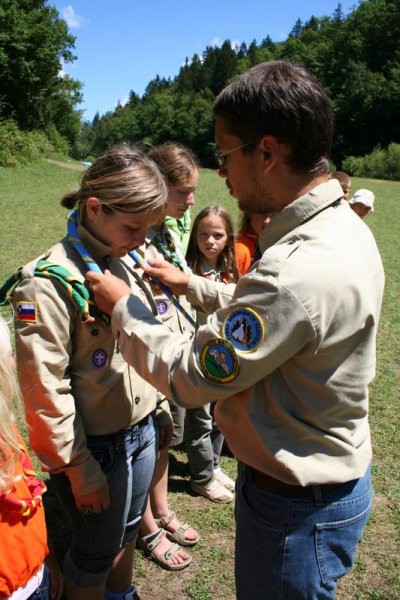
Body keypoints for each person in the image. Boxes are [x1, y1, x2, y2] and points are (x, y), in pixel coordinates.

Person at [87, 61, 384, 600]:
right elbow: (286, 320)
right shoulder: (340, 229)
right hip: (321, 488)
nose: (221, 173)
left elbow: (191, 374)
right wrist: (193, 286)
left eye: (225, 155)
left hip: (294, 507)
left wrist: (125, 309)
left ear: (267, 152)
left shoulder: (297, 269)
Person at [10, 144, 169, 600]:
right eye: (133, 227)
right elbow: (45, 391)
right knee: (95, 551)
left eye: (148, 228)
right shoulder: (45, 283)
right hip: (96, 448)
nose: (142, 239)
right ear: (95, 208)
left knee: (128, 531)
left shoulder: (122, 260)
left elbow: (141, 342)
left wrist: (156, 405)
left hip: (139, 431)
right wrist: (78, 469)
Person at [136, 143, 199, 570]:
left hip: (173, 352)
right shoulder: (133, 233)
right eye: (184, 192)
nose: (192, 200)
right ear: (158, 188)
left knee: (162, 438)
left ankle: (161, 508)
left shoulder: (170, 232)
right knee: (139, 443)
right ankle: (145, 527)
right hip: (144, 357)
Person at [0, 316, 63, 600]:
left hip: (35, 577)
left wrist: (44, 558)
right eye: (10, 357)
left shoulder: (6, 426)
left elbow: (28, 501)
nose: (14, 365)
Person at [184, 205, 238, 501]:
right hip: (196, 356)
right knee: (201, 419)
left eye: (217, 235)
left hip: (223, 356)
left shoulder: (230, 270)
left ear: (228, 238)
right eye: (203, 234)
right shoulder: (186, 269)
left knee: (219, 416)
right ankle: (201, 477)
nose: (210, 241)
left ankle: (214, 465)